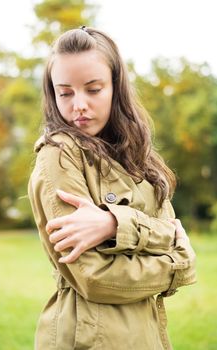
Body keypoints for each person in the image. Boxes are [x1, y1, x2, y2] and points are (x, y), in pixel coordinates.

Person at [28, 26, 196, 350]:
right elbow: (93, 276)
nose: (78, 104)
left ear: (115, 88)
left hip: (147, 335)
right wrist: (178, 265)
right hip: (90, 339)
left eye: (93, 89)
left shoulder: (138, 156)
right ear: (53, 94)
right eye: (65, 92)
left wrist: (112, 223)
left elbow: (170, 228)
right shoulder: (58, 156)